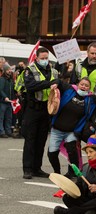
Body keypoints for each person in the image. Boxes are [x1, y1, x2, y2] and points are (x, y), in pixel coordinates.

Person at [48, 77, 96, 179]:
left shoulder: (90, 100)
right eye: (82, 84)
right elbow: (59, 81)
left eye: (86, 86)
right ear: (78, 84)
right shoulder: (69, 89)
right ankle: (57, 172)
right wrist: (55, 84)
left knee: (72, 151)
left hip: (72, 131)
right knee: (51, 153)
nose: (83, 87)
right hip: (57, 129)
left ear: (89, 88)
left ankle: (74, 174)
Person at [22, 47, 59, 179]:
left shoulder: (53, 70)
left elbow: (58, 82)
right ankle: (27, 168)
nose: (44, 60)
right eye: (42, 58)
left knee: (41, 140)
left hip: (46, 109)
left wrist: (56, 83)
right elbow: (31, 86)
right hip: (33, 109)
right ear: (36, 58)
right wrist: (49, 84)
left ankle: (37, 168)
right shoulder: (30, 70)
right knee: (30, 139)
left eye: (46, 58)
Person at [0, 63, 15, 138]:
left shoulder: (11, 80)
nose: (10, 71)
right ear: (5, 70)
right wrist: (5, 97)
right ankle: (1, 132)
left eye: (10, 69)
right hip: (3, 101)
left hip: (9, 102)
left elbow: (12, 90)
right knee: (1, 117)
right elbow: (0, 90)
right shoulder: (2, 79)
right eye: (8, 70)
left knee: (9, 117)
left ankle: (8, 131)